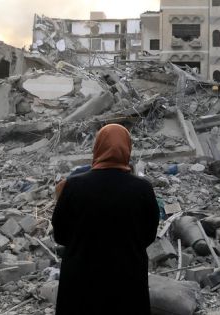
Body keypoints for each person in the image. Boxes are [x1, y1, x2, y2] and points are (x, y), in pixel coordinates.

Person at [52, 124, 159, 315]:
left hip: (81, 282)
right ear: (127, 148)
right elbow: (149, 235)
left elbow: (60, 235)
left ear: (97, 147)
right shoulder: (143, 189)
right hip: (127, 280)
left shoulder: (73, 186)